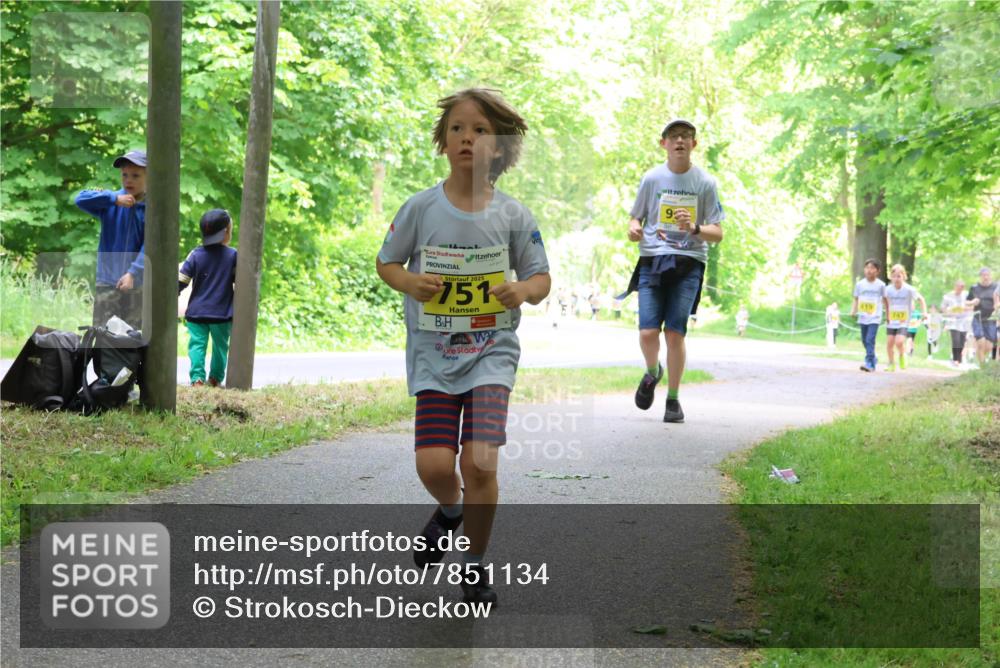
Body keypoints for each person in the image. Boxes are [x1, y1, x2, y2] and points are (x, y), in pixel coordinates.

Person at [375, 88, 550, 605]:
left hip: (491, 353)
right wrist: (410, 283)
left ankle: (473, 565)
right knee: (433, 466)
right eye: (456, 129)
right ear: (444, 142)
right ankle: (450, 511)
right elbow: (388, 263)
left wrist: (522, 290)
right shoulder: (419, 208)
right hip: (434, 356)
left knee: (480, 463)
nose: (467, 137)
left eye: (478, 130)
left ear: (498, 146)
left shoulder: (515, 215)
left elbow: (540, 278)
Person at [626, 118, 724, 423]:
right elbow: (635, 218)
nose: (680, 141)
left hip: (689, 261)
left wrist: (694, 227)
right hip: (653, 259)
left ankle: (673, 399)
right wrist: (633, 230)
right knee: (647, 332)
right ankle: (653, 371)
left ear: (694, 145)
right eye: (674, 136)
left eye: (686, 137)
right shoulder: (652, 179)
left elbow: (717, 232)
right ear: (663, 143)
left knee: (675, 334)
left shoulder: (705, 183)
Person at [75, 149, 147, 329]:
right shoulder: (111, 201)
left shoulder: (150, 208)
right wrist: (114, 199)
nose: (128, 180)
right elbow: (80, 199)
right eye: (125, 175)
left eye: (136, 175)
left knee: (132, 337)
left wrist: (132, 273)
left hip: (136, 284)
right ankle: (101, 359)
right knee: (103, 335)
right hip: (107, 281)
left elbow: (150, 246)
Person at [177, 209, 237, 387]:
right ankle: (215, 378)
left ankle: (197, 379)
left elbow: (182, 281)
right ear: (226, 232)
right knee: (220, 347)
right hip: (221, 313)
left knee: (196, 345)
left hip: (197, 312)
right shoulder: (233, 256)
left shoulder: (196, 254)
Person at [882, 264, 926, 372]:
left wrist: (924, 312)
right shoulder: (887, 290)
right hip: (892, 320)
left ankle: (902, 355)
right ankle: (891, 363)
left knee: (899, 341)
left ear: (904, 276)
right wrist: (887, 314)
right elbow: (885, 302)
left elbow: (921, 299)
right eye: (894, 276)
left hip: (904, 320)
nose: (896, 279)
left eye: (899, 276)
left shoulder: (909, 289)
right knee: (889, 343)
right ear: (891, 277)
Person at [850, 259, 886, 372]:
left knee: (870, 339)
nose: (869, 270)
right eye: (867, 268)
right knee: (864, 340)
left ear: (877, 271)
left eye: (872, 268)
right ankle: (873, 358)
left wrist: (888, 313)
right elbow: (856, 298)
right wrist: (853, 310)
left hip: (875, 317)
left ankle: (869, 363)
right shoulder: (860, 284)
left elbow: (885, 300)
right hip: (863, 316)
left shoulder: (881, 285)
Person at [967, 267, 999, 366]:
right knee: (981, 342)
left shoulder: (996, 287)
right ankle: (982, 367)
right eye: (983, 275)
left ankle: (981, 357)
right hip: (978, 318)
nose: (985, 277)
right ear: (980, 276)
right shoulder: (974, 288)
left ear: (990, 276)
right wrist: (972, 302)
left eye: (987, 275)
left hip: (991, 319)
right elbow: (966, 302)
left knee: (989, 346)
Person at [941, 279, 972, 367]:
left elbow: (972, 305)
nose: (961, 289)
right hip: (953, 321)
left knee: (962, 341)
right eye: (959, 287)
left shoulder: (967, 294)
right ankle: (955, 359)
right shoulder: (948, 296)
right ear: (955, 286)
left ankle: (959, 358)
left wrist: (968, 308)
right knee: (956, 340)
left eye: (962, 287)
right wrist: (948, 311)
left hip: (964, 321)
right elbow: (943, 308)